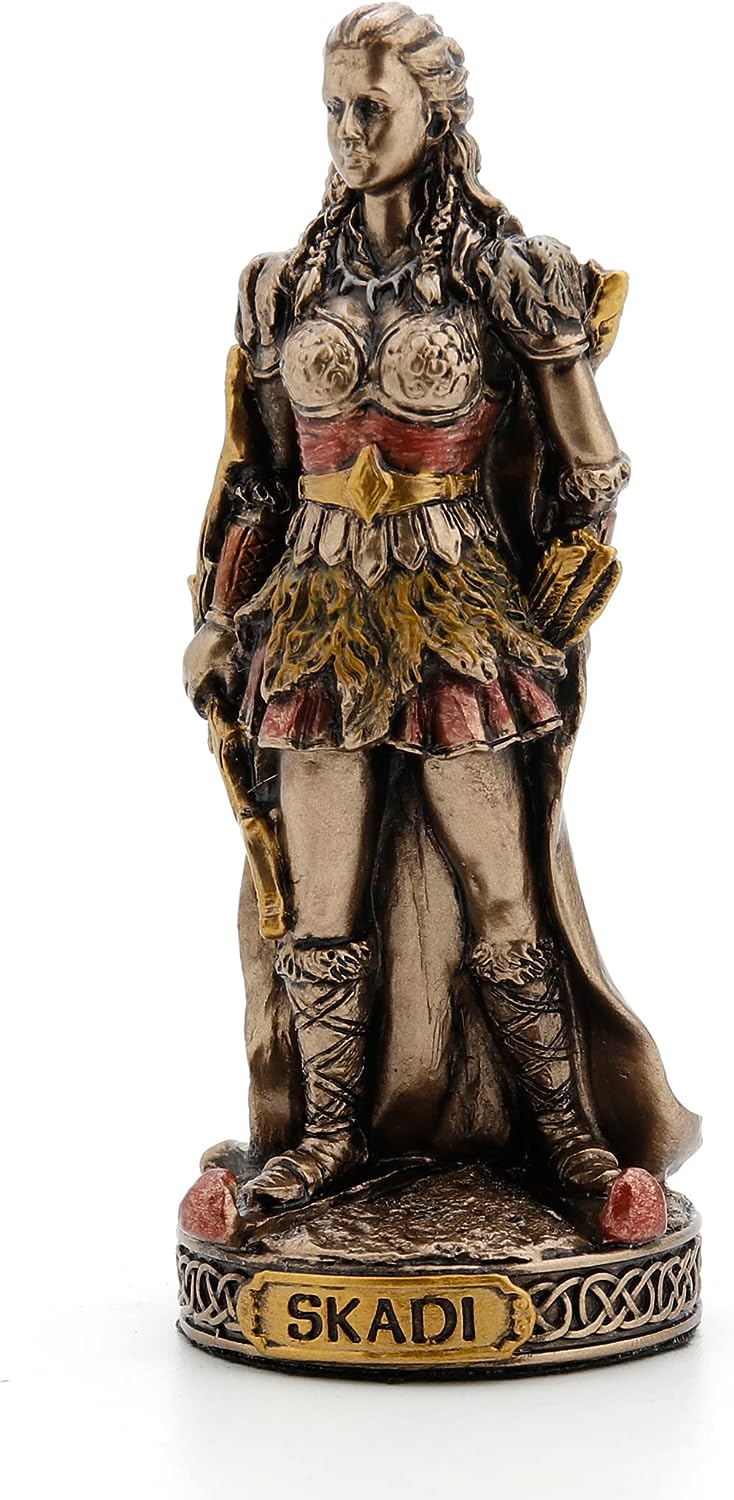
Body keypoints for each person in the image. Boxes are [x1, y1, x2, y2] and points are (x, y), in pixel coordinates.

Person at [184, 2, 699, 1240]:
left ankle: (567, 1139)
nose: (349, 132)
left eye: (373, 107)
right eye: (333, 109)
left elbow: (590, 460)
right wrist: (219, 614)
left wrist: (575, 561)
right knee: (320, 894)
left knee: (500, 889)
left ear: (436, 114)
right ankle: (323, 1137)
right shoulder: (283, 285)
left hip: (455, 600)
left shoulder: (505, 276)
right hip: (312, 610)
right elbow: (256, 481)